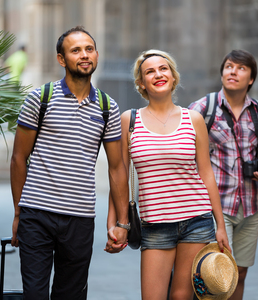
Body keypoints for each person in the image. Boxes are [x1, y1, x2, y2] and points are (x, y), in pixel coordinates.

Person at [10, 26, 129, 300]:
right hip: (36, 214)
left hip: (80, 218)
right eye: (75, 50)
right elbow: (19, 159)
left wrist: (123, 223)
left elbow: (116, 167)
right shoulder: (40, 98)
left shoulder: (107, 107)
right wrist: (18, 213)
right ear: (61, 59)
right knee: (35, 295)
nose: (84, 55)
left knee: (71, 296)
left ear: (97, 55)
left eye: (89, 49)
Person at [105, 49, 231, 300]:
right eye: (149, 71)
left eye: (163, 69)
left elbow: (206, 173)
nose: (158, 74)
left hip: (196, 220)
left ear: (173, 77)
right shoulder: (129, 120)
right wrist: (115, 224)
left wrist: (221, 225)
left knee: (181, 297)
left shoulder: (193, 119)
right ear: (141, 83)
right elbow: (118, 176)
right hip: (155, 225)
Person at [189, 49, 258, 300]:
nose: (232, 72)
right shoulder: (203, 108)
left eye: (240, 68)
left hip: (250, 206)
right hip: (215, 205)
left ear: (251, 78)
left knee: (238, 273)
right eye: (228, 67)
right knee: (214, 273)